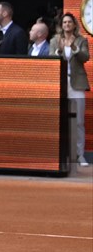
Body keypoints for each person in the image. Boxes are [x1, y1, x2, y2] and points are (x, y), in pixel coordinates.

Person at [50, 14, 90, 167]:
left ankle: (79, 155)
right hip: (60, 82)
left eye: (69, 22)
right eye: (64, 22)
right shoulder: (55, 40)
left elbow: (85, 57)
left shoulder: (81, 40)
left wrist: (74, 47)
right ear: (61, 25)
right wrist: (59, 52)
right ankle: (61, 154)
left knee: (78, 121)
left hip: (76, 83)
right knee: (60, 120)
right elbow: (50, 58)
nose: (67, 25)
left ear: (74, 25)